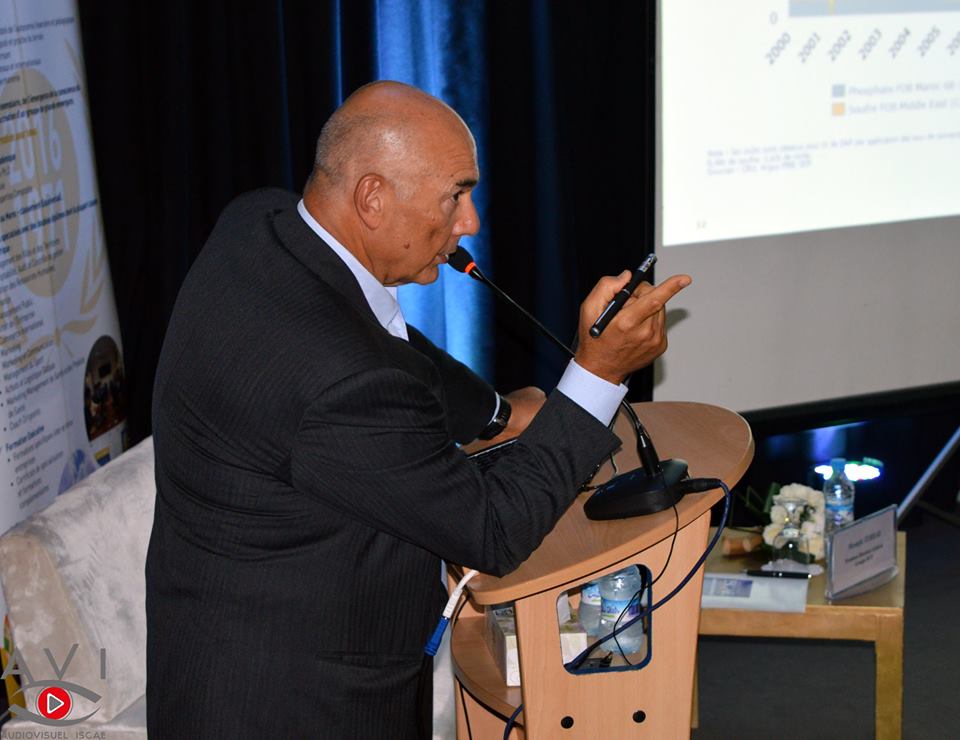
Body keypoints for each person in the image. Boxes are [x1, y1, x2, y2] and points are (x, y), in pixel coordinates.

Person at [145, 81, 690, 739]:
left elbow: (379, 337)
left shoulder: (261, 225)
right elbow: (491, 531)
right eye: (455, 195)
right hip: (297, 705)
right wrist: (598, 374)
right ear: (372, 197)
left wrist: (495, 414)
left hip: (213, 651)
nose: (470, 223)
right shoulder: (341, 382)